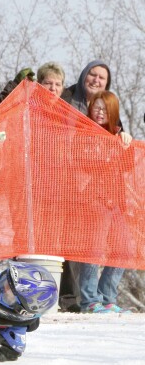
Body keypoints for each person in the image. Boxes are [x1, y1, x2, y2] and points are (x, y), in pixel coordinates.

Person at [71, 90, 131, 314]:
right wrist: (110, 149)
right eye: (96, 107)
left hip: (116, 200)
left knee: (124, 249)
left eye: (105, 109)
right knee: (93, 250)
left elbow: (127, 167)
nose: (99, 112)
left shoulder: (118, 135)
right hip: (93, 199)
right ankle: (90, 300)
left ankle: (107, 297)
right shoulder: (84, 132)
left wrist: (125, 143)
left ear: (113, 111)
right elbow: (83, 162)